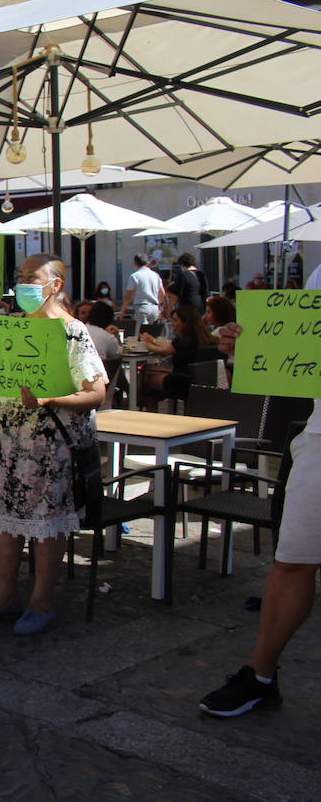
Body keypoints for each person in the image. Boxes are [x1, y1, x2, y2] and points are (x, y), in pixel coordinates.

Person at [0, 254, 107, 635]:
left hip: (51, 450)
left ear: (55, 285)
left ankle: (41, 603)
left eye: (32, 277)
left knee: (46, 526)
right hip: (8, 444)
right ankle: (4, 598)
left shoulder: (73, 332)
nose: (23, 283)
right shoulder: (8, 327)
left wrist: (50, 399)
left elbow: (96, 393)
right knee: (4, 526)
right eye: (20, 276)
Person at [198, 263, 320, 716]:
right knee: (292, 562)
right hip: (320, 440)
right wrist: (248, 347)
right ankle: (261, 676)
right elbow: (300, 359)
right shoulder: (320, 273)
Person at [139, 304, 224, 410]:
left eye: (175, 320)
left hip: (182, 381)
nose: (172, 324)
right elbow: (169, 348)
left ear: (185, 323)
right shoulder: (210, 339)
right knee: (147, 369)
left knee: (146, 382)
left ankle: (134, 402)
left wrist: (146, 342)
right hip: (204, 380)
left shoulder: (184, 340)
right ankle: (132, 398)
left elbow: (163, 352)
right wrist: (152, 340)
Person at [121, 254, 165, 326]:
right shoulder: (156, 275)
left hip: (141, 307)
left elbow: (128, 296)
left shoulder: (135, 276)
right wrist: (162, 307)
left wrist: (122, 310)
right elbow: (162, 293)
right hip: (154, 308)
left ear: (135, 263)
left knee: (141, 333)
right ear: (147, 262)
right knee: (152, 334)